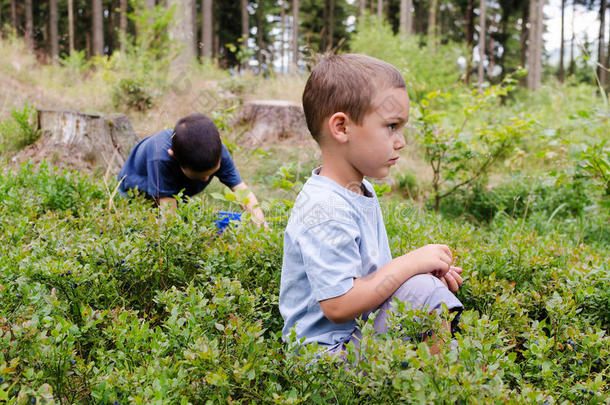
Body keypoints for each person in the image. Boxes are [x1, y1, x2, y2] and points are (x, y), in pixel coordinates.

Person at [279, 54, 464, 357]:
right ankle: (443, 383)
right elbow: (339, 305)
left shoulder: (358, 190)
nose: (400, 141)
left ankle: (444, 375)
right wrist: (411, 265)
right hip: (328, 362)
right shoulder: (323, 207)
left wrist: (416, 275)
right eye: (391, 126)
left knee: (422, 287)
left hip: (356, 338)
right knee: (423, 291)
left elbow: (370, 281)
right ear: (342, 128)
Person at [118, 113, 266, 226]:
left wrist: (262, 227)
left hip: (175, 192)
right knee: (149, 226)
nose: (206, 180)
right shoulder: (160, 158)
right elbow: (170, 220)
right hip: (135, 194)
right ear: (174, 156)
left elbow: (242, 191)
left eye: (211, 174)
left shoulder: (216, 150)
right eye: (200, 176)